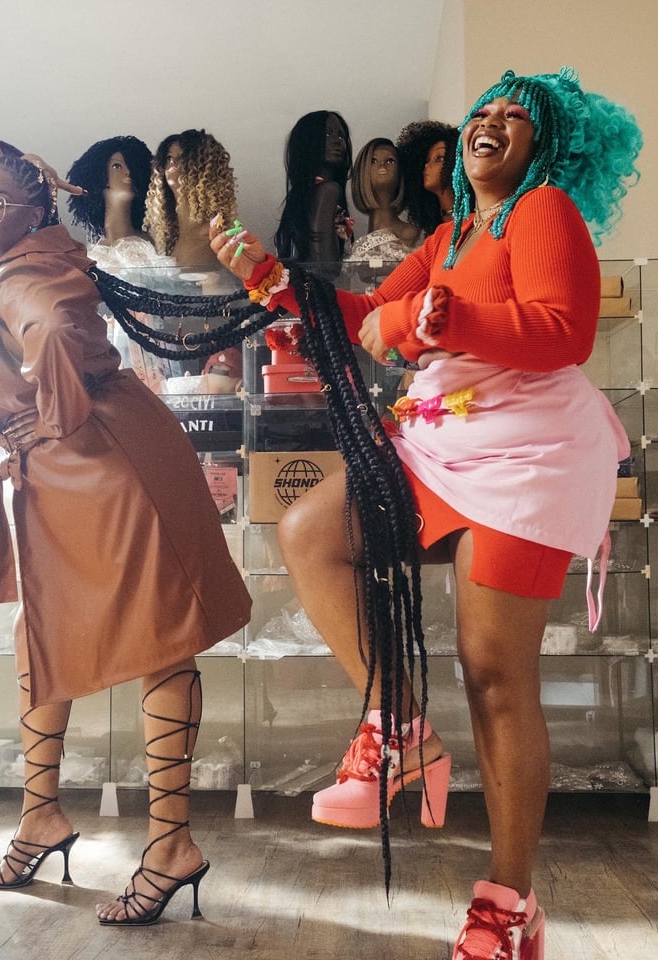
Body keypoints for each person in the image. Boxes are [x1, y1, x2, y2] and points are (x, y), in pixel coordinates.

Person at [212, 68, 642, 959]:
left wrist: (431, 319)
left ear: (548, 147)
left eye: (517, 117)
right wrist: (272, 279)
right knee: (311, 530)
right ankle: (398, 727)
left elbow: (561, 330)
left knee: (494, 675)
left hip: (528, 457)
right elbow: (367, 313)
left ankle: (510, 907)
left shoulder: (543, 211)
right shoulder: (450, 235)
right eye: (485, 110)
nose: (493, 122)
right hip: (445, 440)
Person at [0, 147, 251, 924]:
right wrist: (52, 423)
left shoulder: (22, 273)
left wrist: (54, 417)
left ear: (35, 210)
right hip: (87, 457)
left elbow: (54, 326)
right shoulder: (35, 259)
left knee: (157, 638)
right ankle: (40, 818)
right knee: (46, 630)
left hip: (99, 461)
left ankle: (170, 845)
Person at [143, 128, 236, 272]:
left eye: (183, 159)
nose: (173, 164)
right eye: (169, 158)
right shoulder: (165, 240)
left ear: (204, 169)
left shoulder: (214, 239)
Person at [274, 110, 354, 278]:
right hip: (320, 290)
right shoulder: (329, 190)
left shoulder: (301, 196)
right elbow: (328, 267)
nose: (337, 141)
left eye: (341, 136)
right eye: (327, 134)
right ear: (308, 141)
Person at [66, 135, 161, 271]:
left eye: (132, 167)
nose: (128, 172)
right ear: (99, 176)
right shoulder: (92, 255)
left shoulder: (154, 244)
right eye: (117, 166)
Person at [344, 137, 421, 264]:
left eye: (390, 160)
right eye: (373, 161)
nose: (382, 165)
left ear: (400, 172)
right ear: (362, 172)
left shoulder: (409, 234)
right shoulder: (359, 242)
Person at [396, 120, 460, 236]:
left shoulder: (475, 222)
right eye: (426, 160)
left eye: (439, 158)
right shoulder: (433, 230)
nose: (426, 166)